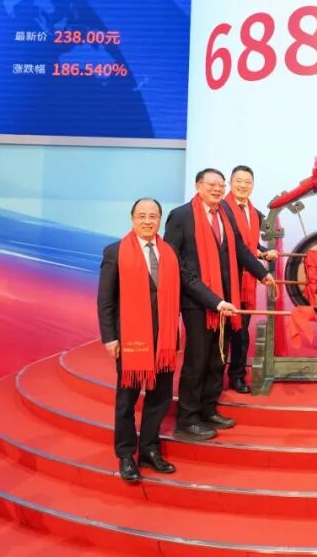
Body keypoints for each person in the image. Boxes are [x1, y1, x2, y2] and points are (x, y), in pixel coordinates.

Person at [164, 168, 274, 441]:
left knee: (217, 358)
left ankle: (208, 409)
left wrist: (262, 274)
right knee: (197, 361)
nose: (217, 189)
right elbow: (176, 265)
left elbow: (240, 249)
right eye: (211, 184)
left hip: (225, 299)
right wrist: (213, 300)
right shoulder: (181, 216)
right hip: (197, 302)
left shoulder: (224, 213)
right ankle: (187, 420)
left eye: (220, 185)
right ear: (198, 186)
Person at [97, 198, 179, 482]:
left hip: (164, 338)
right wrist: (110, 337)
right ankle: (125, 454)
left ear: (160, 220)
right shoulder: (115, 252)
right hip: (131, 339)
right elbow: (105, 300)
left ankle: (149, 450)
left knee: (160, 398)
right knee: (127, 400)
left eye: (153, 216)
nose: (147, 221)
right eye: (142, 216)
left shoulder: (169, 253)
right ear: (132, 219)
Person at [220, 165, 278, 394]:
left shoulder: (253, 212)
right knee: (224, 334)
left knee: (241, 333)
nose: (243, 185)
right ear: (230, 183)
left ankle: (237, 376)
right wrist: (261, 272)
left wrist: (263, 252)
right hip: (226, 280)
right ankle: (215, 381)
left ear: (253, 186)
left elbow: (249, 244)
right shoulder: (222, 209)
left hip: (246, 282)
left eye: (247, 182)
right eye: (239, 181)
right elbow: (236, 245)